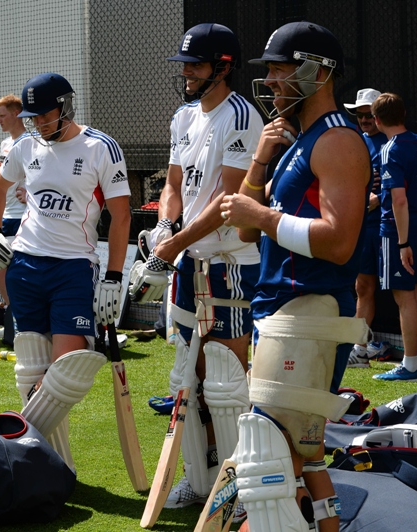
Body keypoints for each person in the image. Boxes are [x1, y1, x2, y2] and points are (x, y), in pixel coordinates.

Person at [219, 21, 369, 532]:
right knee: (305, 457)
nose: (274, 81)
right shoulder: (298, 140)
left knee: (271, 460)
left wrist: (262, 217)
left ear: (317, 71)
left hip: (308, 309)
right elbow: (243, 232)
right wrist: (261, 156)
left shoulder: (337, 140)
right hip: (282, 308)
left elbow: (339, 240)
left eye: (282, 69)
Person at [0, 72, 131, 468]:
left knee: (66, 373)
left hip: (74, 267)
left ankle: (9, 449)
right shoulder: (26, 145)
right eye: (32, 118)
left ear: (66, 106)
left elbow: (121, 217)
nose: (38, 125)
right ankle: (54, 466)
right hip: (26, 264)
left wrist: (115, 277)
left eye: (45, 116)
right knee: (30, 371)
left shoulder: (101, 147)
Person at [143, 23, 262, 515]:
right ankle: (199, 479)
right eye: (185, 64)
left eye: (195, 63)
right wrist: (167, 227)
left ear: (223, 66)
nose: (186, 72)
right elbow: (173, 183)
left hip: (228, 261)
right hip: (188, 257)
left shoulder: (241, 116)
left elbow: (228, 200)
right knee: (183, 378)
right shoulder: (183, 116)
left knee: (227, 381)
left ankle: (238, 492)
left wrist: (172, 247)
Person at [369, 93, 417, 382]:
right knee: (415, 293)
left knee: (405, 296)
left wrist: (402, 242)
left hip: (398, 231)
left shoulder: (390, 149)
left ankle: (411, 365)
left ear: (377, 120)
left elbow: (399, 200)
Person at [343, 89, 392, 367]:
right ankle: (360, 348)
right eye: (359, 115)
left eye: (368, 114)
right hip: (361, 227)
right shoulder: (354, 142)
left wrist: (377, 198)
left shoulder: (391, 142)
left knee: (405, 292)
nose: (363, 120)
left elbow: (400, 185)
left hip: (388, 226)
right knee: (363, 286)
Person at [0, 94, 27, 338]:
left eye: (2, 115)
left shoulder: (30, 141)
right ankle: (16, 316)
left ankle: (20, 318)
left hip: (24, 215)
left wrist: (31, 192)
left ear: (16, 114)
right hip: (7, 214)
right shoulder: (5, 143)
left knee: (10, 269)